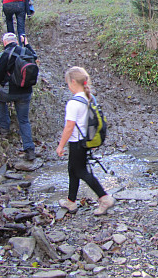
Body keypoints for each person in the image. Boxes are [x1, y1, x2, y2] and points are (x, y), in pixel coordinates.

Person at [56, 66, 115, 215]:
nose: (68, 86)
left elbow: (69, 127)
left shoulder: (73, 103)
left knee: (81, 171)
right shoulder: (89, 98)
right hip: (85, 141)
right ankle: (71, 202)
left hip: (77, 143)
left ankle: (104, 197)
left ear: (73, 82)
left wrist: (60, 146)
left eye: (68, 83)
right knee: (73, 170)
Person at [0, 33, 37, 161]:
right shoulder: (26, 51)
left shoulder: (5, 54)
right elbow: (35, 56)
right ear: (16, 41)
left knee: (0, 100)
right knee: (24, 120)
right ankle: (29, 150)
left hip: (9, 91)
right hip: (26, 92)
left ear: (5, 42)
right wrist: (27, 43)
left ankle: (4, 127)